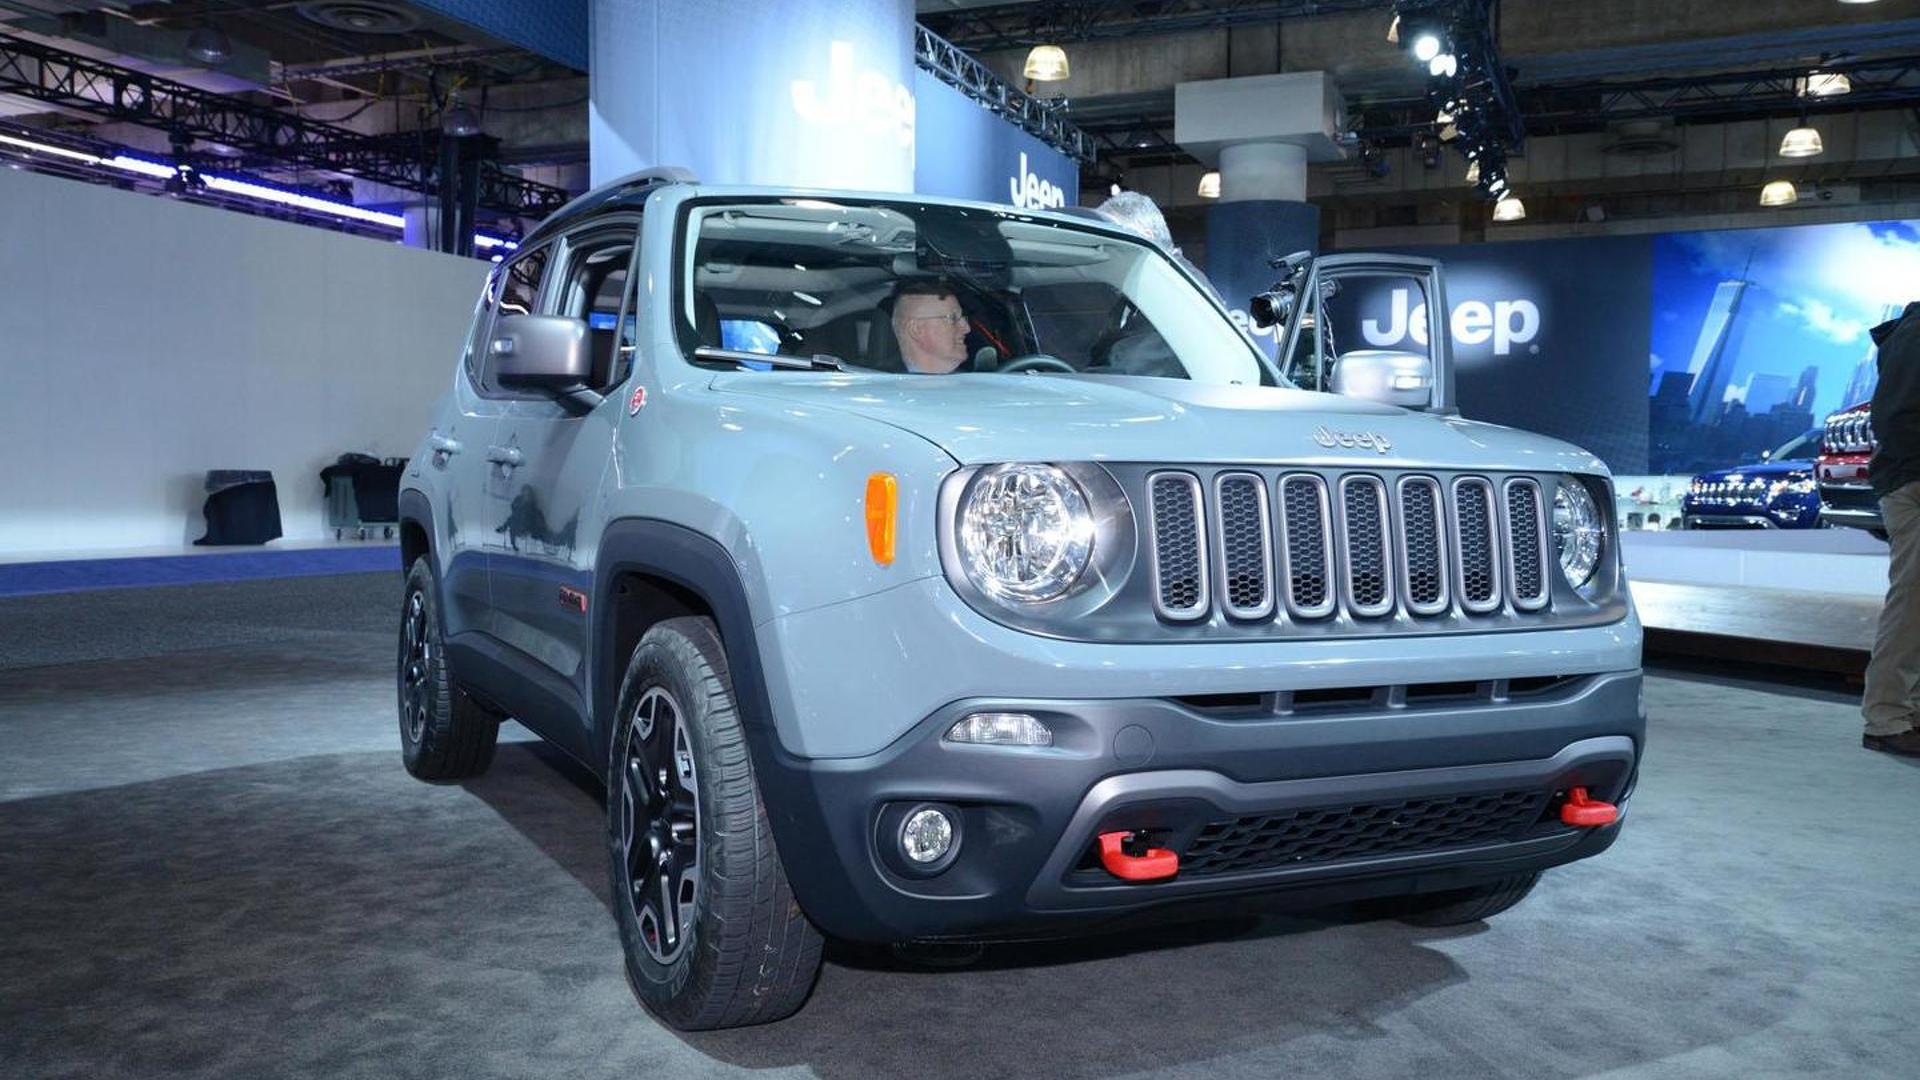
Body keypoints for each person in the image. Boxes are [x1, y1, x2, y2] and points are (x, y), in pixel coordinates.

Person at [1862, 301, 1920, 756]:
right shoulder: (1915, 334)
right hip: (1911, 481)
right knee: (1912, 600)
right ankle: (1886, 718)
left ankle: (1907, 712)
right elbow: (1892, 418)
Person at [891, 279, 970, 374]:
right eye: (952, 318)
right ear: (916, 330)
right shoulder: (880, 387)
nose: (967, 328)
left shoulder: (978, 384)